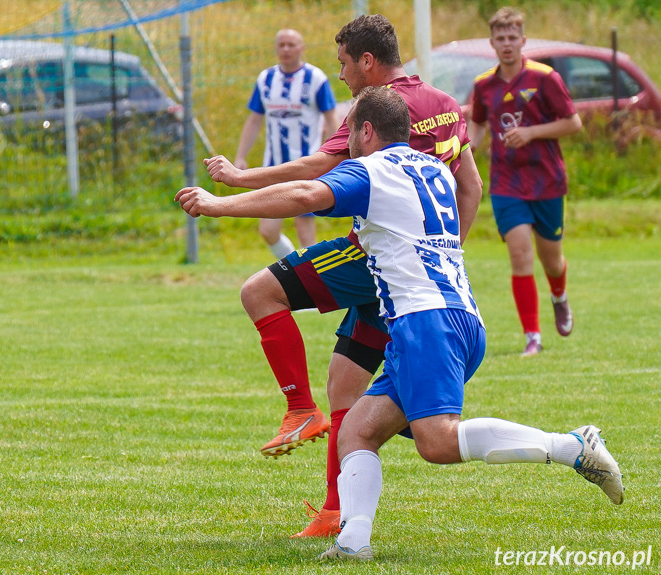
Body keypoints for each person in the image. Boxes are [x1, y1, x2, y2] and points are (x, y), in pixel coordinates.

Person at [176, 85, 624, 563]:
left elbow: (306, 192)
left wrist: (217, 204)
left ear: (367, 131)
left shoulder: (372, 170)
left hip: (424, 322)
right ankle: (353, 542)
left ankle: (572, 445)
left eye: (349, 133)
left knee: (438, 441)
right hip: (458, 317)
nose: (344, 144)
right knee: (357, 434)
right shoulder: (432, 168)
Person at [203, 14, 483, 538]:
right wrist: (446, 252)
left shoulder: (372, 112)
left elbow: (314, 173)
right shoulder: (446, 104)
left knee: (260, 291)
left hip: (373, 257)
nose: (342, 77)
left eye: (344, 65)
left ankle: (298, 409)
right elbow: (472, 187)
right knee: (347, 387)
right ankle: (337, 513)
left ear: (367, 61)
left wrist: (239, 180)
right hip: (424, 275)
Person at [467, 7, 582, 357]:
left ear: (523, 41)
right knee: (520, 255)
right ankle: (532, 335)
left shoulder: (545, 78)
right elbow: (478, 129)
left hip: (546, 180)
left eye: (512, 38)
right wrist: (461, 148)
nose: (506, 44)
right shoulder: (483, 85)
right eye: (500, 38)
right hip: (506, 183)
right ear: (492, 42)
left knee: (552, 260)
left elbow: (573, 123)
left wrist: (531, 132)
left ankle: (559, 297)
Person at [235, 29, 340, 259]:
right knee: (268, 230)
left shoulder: (315, 78)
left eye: (291, 44)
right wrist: (241, 156)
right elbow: (254, 119)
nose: (285, 49)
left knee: (305, 232)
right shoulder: (266, 79)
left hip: (306, 166)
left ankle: (314, 284)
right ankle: (296, 270)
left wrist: (332, 156)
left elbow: (331, 118)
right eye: (281, 44)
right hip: (273, 167)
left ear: (301, 47)